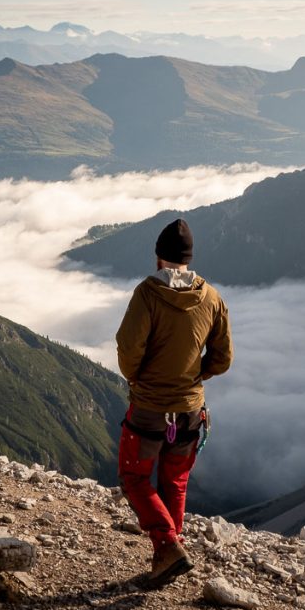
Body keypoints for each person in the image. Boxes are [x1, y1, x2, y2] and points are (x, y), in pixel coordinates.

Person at [115, 218, 233, 587]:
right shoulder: (211, 296)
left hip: (149, 408)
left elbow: (128, 348)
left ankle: (167, 545)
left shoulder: (148, 294)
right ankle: (169, 552)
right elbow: (223, 357)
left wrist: (137, 377)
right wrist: (196, 377)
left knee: (134, 476)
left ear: (158, 258)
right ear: (188, 259)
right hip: (191, 411)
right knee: (175, 482)